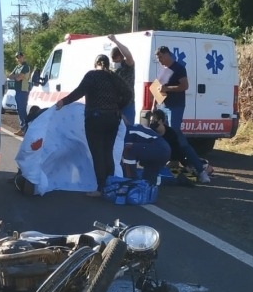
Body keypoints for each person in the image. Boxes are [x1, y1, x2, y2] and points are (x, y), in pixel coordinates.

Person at [55, 54, 133, 196]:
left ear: (96, 63)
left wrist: (63, 102)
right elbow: (128, 94)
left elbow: (79, 92)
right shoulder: (114, 77)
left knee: (98, 153)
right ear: (108, 64)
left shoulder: (92, 76)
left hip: (95, 118)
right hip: (113, 118)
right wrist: (118, 108)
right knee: (108, 152)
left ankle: (100, 188)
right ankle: (110, 187)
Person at [149, 109, 211, 183]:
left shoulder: (170, 133)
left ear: (161, 121)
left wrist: (185, 164)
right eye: (151, 121)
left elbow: (177, 151)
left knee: (190, 178)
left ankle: (199, 172)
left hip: (171, 160)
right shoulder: (151, 132)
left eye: (154, 120)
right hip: (159, 163)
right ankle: (187, 173)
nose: (152, 123)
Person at [155, 45, 188, 131]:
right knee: (164, 132)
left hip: (175, 106)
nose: (159, 60)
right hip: (163, 106)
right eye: (158, 58)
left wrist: (167, 88)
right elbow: (157, 87)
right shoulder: (162, 69)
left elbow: (185, 86)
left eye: (160, 57)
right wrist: (154, 105)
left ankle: (178, 145)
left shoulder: (179, 68)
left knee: (173, 131)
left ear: (167, 54)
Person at [109, 34, 136, 124]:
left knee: (127, 129)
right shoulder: (113, 70)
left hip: (128, 104)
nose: (114, 63)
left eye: (116, 61)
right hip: (115, 105)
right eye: (113, 61)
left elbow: (128, 55)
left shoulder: (128, 66)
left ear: (121, 57)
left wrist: (115, 41)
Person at [8, 51, 31, 136]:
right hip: (17, 91)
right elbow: (10, 76)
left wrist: (15, 76)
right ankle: (23, 129)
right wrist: (16, 76)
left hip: (23, 91)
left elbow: (18, 78)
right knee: (19, 110)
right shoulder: (17, 66)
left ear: (23, 57)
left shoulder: (26, 66)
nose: (19, 58)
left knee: (22, 111)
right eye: (17, 57)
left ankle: (26, 129)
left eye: (20, 56)